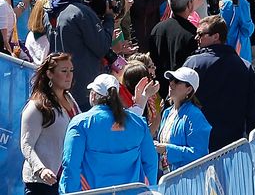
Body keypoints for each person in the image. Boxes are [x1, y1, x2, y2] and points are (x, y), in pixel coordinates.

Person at [58, 74, 158, 192]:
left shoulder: (80, 123)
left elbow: (71, 165)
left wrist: (70, 193)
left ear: (94, 95)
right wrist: (149, 189)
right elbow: (151, 162)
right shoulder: (138, 123)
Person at [183, 14, 255, 150]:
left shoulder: (194, 63)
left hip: (200, 143)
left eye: (201, 34)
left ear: (216, 36)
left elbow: (178, 99)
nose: (196, 38)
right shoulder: (245, 66)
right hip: (234, 143)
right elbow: (252, 111)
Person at [21, 53, 78, 195]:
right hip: (41, 183)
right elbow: (26, 144)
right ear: (49, 74)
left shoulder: (69, 98)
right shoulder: (36, 106)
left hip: (66, 180)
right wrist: (41, 169)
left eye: (71, 71)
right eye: (64, 71)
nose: (69, 75)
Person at [155, 65, 212, 173]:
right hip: (167, 178)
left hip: (189, 182)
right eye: (171, 80)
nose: (171, 83)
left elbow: (199, 154)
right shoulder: (167, 113)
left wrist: (167, 149)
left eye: (177, 81)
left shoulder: (195, 115)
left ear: (189, 89)